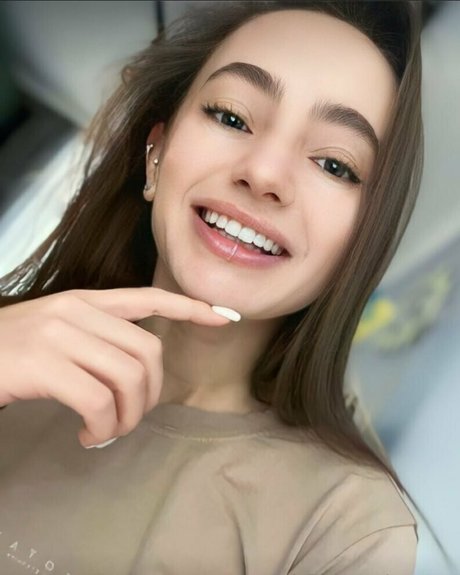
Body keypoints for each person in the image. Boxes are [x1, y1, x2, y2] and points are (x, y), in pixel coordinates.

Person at [0, 1, 423, 573]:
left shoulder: (346, 528)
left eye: (334, 164)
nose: (264, 174)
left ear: (362, 242)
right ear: (156, 154)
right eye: (231, 117)